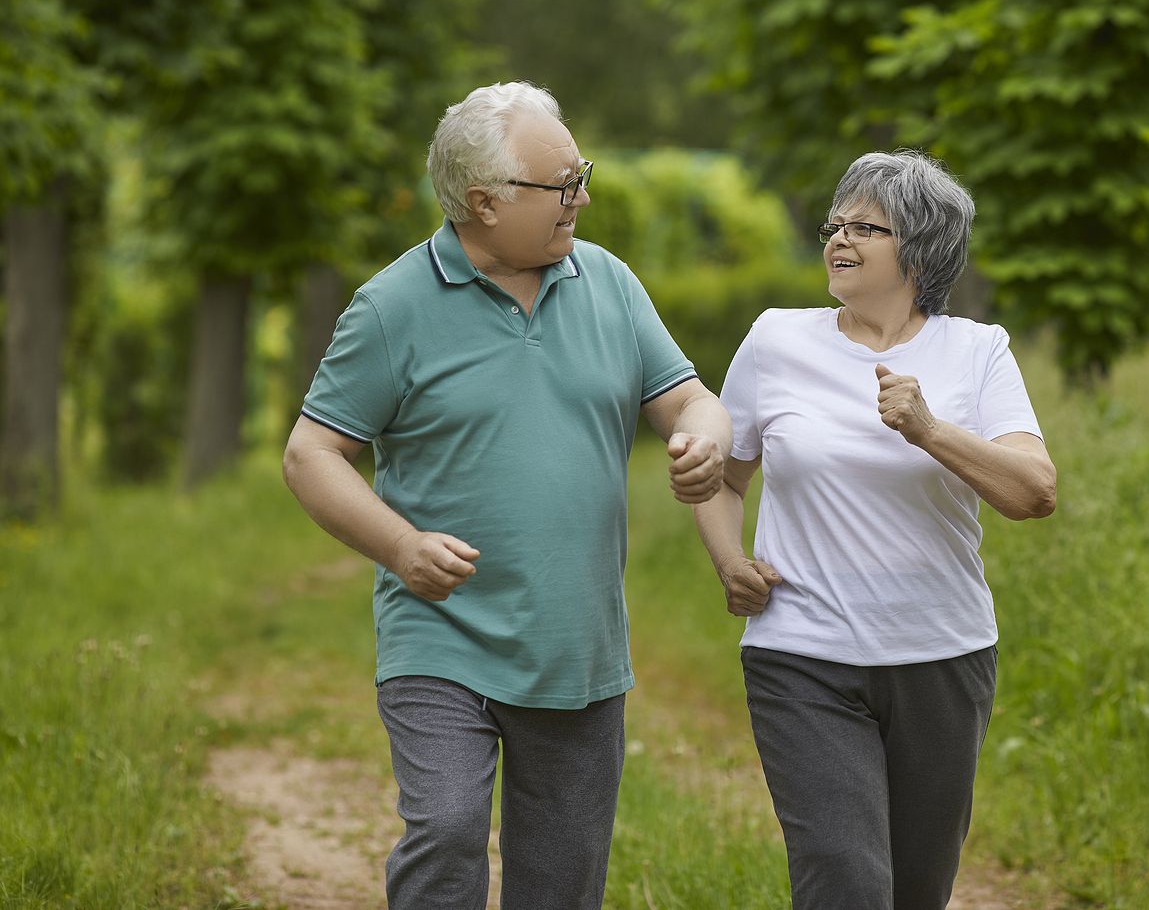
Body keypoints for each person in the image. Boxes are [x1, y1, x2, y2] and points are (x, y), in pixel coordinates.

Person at [282, 80, 729, 910]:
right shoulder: (390, 308)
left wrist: (706, 438)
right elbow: (312, 453)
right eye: (562, 184)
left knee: (562, 878)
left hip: (576, 642)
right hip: (441, 633)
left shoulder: (610, 284)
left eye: (581, 176)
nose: (581, 198)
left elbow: (691, 399)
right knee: (448, 826)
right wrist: (401, 546)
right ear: (484, 201)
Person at [692, 150, 1057, 909]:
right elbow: (725, 478)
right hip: (801, 652)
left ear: (920, 249)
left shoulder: (977, 351)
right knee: (845, 877)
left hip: (943, 656)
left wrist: (929, 430)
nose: (839, 238)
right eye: (835, 224)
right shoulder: (776, 340)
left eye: (866, 227)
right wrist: (729, 559)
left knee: (917, 887)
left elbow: (1034, 491)